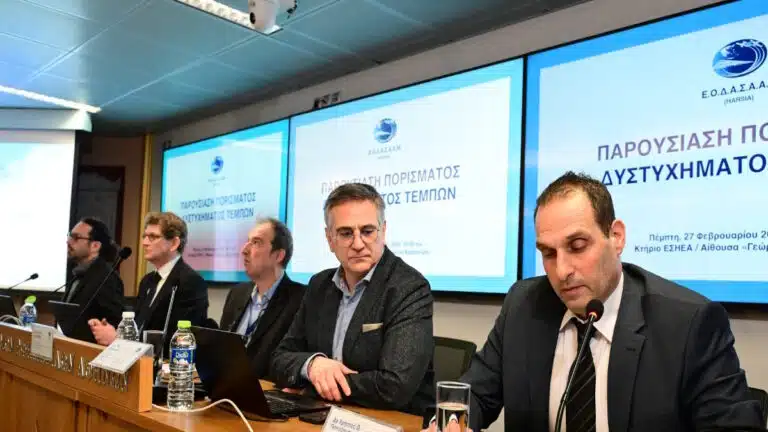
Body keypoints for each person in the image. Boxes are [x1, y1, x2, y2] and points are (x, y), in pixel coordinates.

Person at [425, 171, 761, 432]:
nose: (562, 270)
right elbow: (474, 394)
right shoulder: (523, 306)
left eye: (577, 246)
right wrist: (450, 423)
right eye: (548, 253)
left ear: (616, 237)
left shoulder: (689, 324)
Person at [270, 182, 435, 416]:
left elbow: (394, 386)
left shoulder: (409, 288)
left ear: (383, 231)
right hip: (324, 417)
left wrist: (314, 386)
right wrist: (313, 365)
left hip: (392, 421)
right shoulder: (319, 285)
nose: (358, 244)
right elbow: (279, 359)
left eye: (367, 231)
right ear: (330, 239)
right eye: (346, 233)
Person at [89, 212, 209, 348]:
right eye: (144, 236)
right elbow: (139, 327)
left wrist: (117, 340)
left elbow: (180, 339)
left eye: (153, 237)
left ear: (174, 243)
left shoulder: (191, 282)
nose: (144, 242)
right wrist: (114, 332)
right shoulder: (147, 281)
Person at [219, 217, 306, 379]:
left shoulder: (301, 299)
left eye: (256, 242)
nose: (244, 250)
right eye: (247, 241)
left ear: (278, 255)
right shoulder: (237, 293)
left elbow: (289, 362)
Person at [61, 217, 124, 343]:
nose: (68, 241)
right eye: (70, 236)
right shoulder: (79, 273)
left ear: (95, 246)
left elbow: (115, 322)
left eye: (76, 237)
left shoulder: (106, 278)